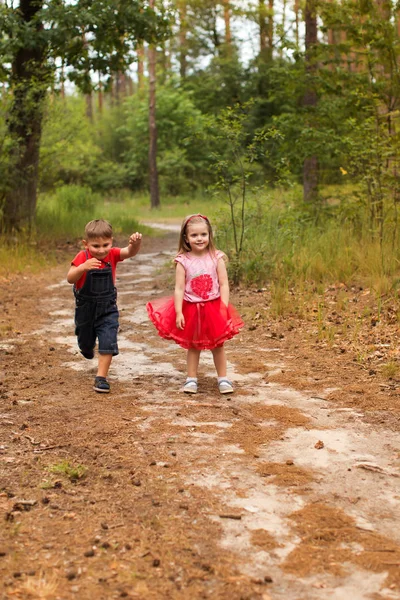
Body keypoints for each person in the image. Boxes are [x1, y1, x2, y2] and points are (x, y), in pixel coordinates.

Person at [146, 214, 243, 394]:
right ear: (186, 238)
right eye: (194, 235)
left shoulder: (217, 257)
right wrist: (178, 311)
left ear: (209, 235)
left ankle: (223, 378)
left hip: (214, 306)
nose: (199, 239)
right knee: (193, 345)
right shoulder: (183, 260)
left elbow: (224, 284)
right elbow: (179, 288)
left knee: (217, 344)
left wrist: (223, 305)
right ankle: (191, 379)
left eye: (203, 234)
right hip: (191, 307)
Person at [67, 219, 142, 393]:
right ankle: (86, 346)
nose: (101, 250)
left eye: (105, 245)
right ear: (86, 244)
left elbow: (129, 252)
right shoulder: (82, 257)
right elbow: (70, 278)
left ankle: (101, 378)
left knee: (108, 339)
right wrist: (82, 268)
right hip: (85, 309)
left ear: (112, 241)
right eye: (96, 246)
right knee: (86, 341)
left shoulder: (113, 254)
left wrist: (136, 244)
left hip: (108, 308)